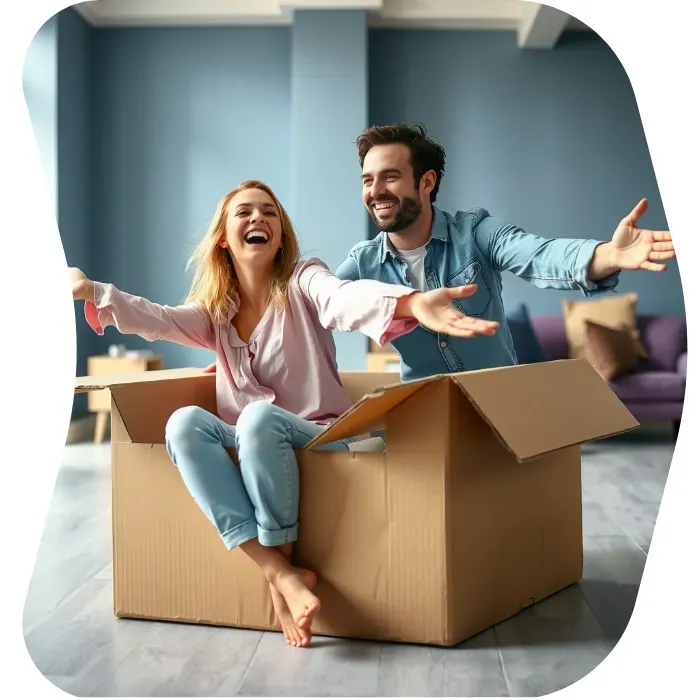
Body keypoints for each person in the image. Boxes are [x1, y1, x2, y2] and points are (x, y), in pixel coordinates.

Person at [68, 180, 499, 648]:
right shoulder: (216, 313)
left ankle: (278, 582)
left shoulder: (303, 279)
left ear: (280, 234)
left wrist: (410, 301)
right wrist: (92, 289)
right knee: (183, 423)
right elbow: (158, 318)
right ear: (223, 238)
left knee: (254, 417)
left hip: (321, 435)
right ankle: (283, 576)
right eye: (245, 213)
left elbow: (341, 297)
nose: (259, 219)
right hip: (252, 439)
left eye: (269, 212)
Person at [334, 123, 677, 381]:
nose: (375, 191)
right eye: (367, 180)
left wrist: (607, 255)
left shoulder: (476, 232)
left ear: (427, 182)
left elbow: (539, 254)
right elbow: (320, 301)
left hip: (499, 406)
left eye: (390, 177)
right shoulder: (363, 263)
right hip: (425, 412)